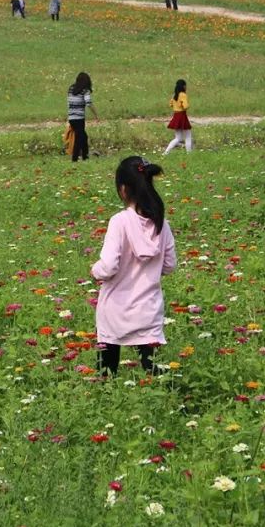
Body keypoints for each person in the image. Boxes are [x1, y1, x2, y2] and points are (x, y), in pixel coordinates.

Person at [90, 156, 176, 377]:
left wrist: (95, 271)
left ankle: (108, 400)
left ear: (123, 189)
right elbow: (169, 265)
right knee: (151, 369)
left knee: (107, 371)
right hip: (148, 309)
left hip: (115, 310)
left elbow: (108, 266)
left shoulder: (119, 221)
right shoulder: (161, 223)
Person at [67, 72, 99, 162]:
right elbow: (88, 102)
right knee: (79, 138)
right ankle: (75, 158)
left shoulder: (71, 88)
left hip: (71, 117)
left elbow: (69, 101)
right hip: (79, 118)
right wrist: (96, 114)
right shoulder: (85, 90)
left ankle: (85, 156)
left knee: (83, 136)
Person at [163, 80, 192, 154]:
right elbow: (185, 106)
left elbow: (170, 104)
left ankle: (166, 152)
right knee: (188, 136)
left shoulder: (175, 95)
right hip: (182, 116)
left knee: (177, 138)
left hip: (176, 116)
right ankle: (189, 153)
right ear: (183, 86)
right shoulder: (183, 95)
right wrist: (186, 105)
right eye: (185, 85)